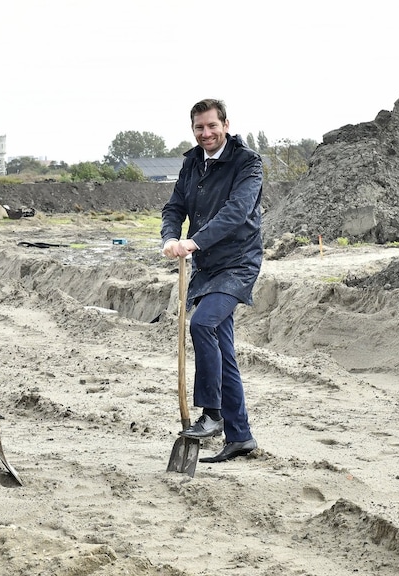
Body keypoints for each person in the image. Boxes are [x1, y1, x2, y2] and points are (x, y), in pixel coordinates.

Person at [161, 99, 263, 463]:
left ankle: (212, 413)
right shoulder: (192, 162)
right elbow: (175, 206)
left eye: (211, 126)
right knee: (222, 348)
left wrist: (194, 241)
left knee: (202, 324)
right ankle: (241, 436)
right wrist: (170, 237)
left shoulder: (247, 162)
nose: (206, 134)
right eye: (199, 128)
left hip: (238, 262)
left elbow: (237, 211)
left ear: (225, 125)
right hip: (207, 267)